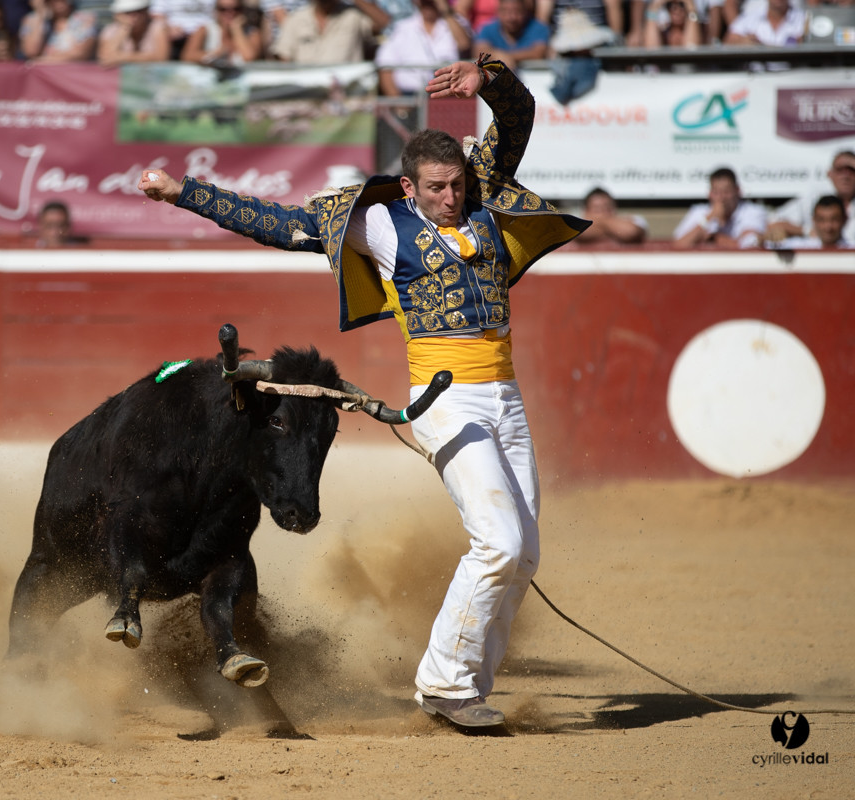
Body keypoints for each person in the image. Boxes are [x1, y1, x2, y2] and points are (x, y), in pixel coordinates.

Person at [139, 56, 589, 729]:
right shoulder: (382, 225)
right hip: (448, 402)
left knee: (522, 551)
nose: (451, 198)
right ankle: (442, 685)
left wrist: (488, 79)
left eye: (457, 184)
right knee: (497, 542)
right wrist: (185, 193)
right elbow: (280, 223)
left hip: (505, 397)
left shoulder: (483, 191)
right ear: (409, 186)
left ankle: (468, 687)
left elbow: (518, 116)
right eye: (437, 188)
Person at [375, 0, 472, 98]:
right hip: (410, 96)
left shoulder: (456, 22)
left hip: (449, 94)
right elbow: (385, 66)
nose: (428, 6)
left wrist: (445, 11)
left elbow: (464, 44)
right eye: (424, 3)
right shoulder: (401, 27)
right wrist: (398, 103)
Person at [766, 150, 855, 246]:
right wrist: (807, 231)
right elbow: (773, 223)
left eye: (852, 170)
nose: (846, 176)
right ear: (830, 174)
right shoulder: (814, 199)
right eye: (840, 170)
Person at [671, 166, 766, 250]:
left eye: (726, 192)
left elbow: (748, 245)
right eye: (716, 192)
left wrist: (713, 238)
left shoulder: (753, 212)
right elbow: (678, 245)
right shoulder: (699, 212)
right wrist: (708, 218)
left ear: (738, 191)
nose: (721, 198)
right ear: (709, 194)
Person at [268, 0, 390, 62]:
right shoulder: (296, 19)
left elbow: (383, 22)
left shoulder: (353, 15)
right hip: (307, 94)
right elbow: (283, 58)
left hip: (345, 93)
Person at [179, 0, 263, 64]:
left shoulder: (252, 32)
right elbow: (187, 56)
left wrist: (236, 29)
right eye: (223, 9)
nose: (230, 13)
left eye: (236, 9)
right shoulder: (205, 29)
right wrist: (215, 54)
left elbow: (249, 57)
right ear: (216, 11)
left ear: (242, 10)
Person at [473, 0, 549, 70]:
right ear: (498, 12)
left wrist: (504, 57)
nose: (512, 17)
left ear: (525, 11)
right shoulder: (487, 28)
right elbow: (479, 51)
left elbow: (538, 53)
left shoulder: (538, 28)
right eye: (506, 11)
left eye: (517, 11)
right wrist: (497, 56)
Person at [96, 0, 172, 65]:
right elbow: (104, 58)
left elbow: (161, 58)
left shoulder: (157, 27)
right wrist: (124, 29)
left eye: (138, 11)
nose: (134, 16)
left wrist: (121, 57)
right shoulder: (110, 30)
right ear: (117, 15)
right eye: (127, 12)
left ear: (146, 11)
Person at [18, 0, 98, 61]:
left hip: (70, 78)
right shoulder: (32, 20)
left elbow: (80, 54)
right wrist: (40, 14)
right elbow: (31, 52)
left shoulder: (85, 19)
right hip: (41, 79)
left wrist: (42, 61)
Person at [766, 195, 853, 251]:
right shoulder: (801, 247)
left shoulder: (852, 249)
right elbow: (759, 243)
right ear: (814, 220)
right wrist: (773, 235)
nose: (828, 227)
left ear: (844, 220)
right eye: (821, 220)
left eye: (834, 220)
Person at [574, 186, 647, 244]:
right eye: (597, 209)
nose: (603, 213)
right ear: (586, 211)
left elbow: (631, 232)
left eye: (607, 208)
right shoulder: (575, 222)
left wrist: (598, 222)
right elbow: (579, 233)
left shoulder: (635, 219)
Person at [722, 0, 804, 45]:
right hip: (756, 74)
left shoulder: (803, 19)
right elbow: (727, 42)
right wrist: (742, 42)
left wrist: (762, 47)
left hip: (795, 73)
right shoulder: (749, 18)